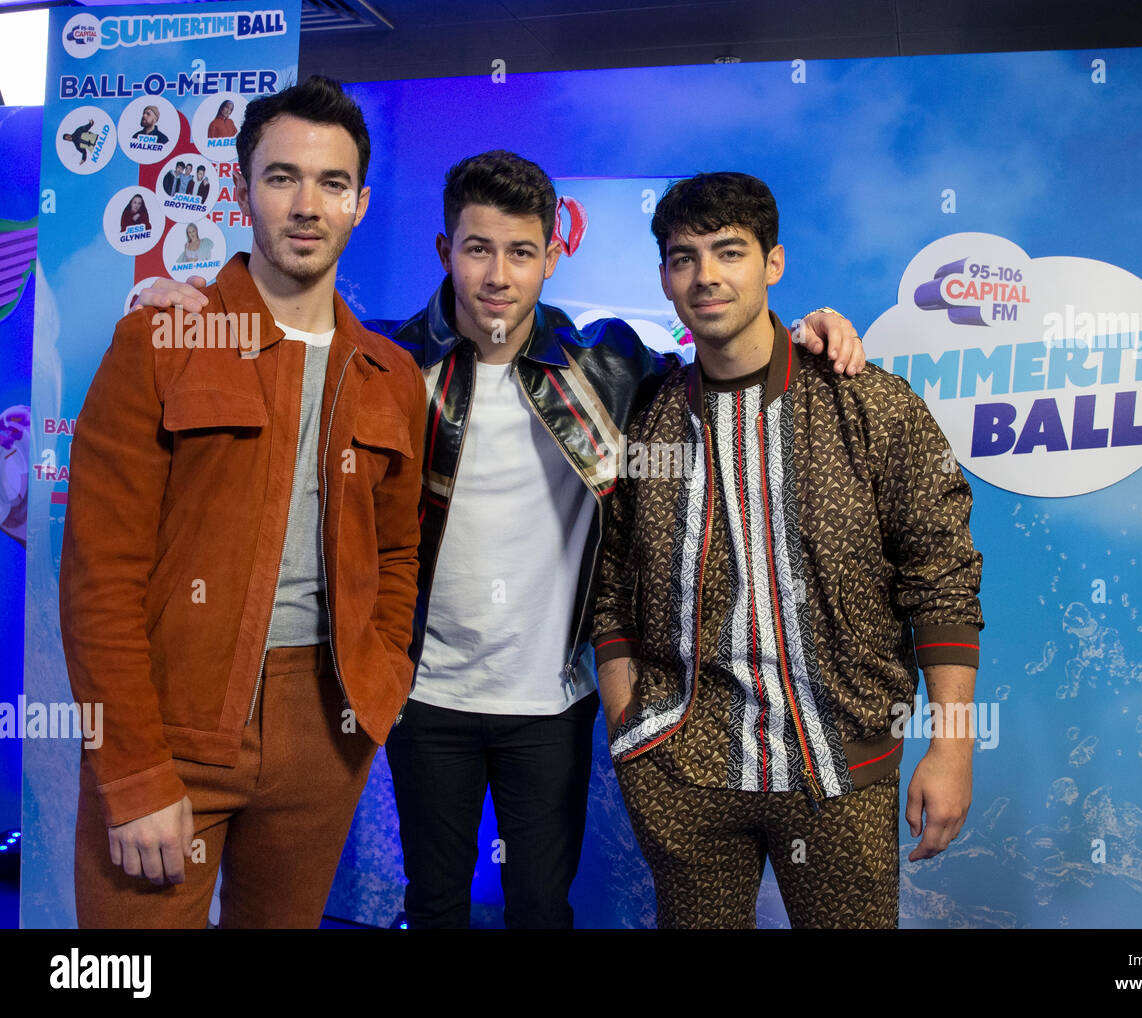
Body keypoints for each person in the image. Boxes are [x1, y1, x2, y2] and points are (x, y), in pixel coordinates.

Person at [135, 150, 863, 930]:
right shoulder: (382, 361)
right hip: (423, 695)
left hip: (550, 703)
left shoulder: (608, 365)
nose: (498, 276)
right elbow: (282, 342)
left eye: (521, 253)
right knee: (436, 905)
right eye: (477, 249)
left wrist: (810, 331)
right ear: (445, 251)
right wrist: (190, 304)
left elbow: (722, 359)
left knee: (542, 909)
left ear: (552, 257)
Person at [61, 75, 426, 929]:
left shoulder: (391, 375)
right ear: (239, 189)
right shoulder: (163, 337)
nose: (307, 204)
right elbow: (99, 577)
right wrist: (131, 769)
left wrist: (379, 689)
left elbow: (401, 552)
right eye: (281, 177)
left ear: (361, 203)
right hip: (174, 718)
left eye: (332, 183)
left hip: (323, 733)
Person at [592, 171, 984, 929]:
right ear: (666, 280)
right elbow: (613, 580)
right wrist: (626, 719)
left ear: (773, 264)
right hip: (684, 766)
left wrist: (953, 748)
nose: (706, 276)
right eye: (683, 258)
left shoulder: (871, 403)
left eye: (729, 252)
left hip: (841, 763)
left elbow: (942, 576)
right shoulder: (648, 420)